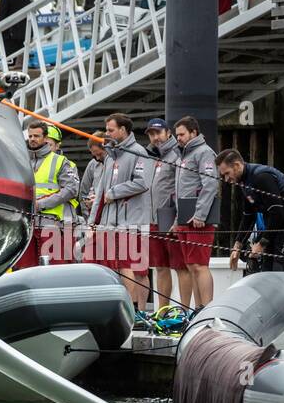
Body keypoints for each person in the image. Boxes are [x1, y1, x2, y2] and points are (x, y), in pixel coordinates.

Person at [86, 112, 152, 308]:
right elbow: (100, 194)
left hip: (133, 221)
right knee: (118, 266)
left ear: (123, 130)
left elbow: (142, 183)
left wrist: (114, 192)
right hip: (110, 223)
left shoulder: (139, 152)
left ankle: (137, 309)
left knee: (135, 268)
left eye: (110, 130)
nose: (107, 134)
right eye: (106, 130)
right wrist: (91, 223)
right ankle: (127, 309)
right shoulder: (109, 157)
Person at [215, 149, 284, 273]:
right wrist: (237, 246)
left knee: (282, 263)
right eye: (223, 176)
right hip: (278, 220)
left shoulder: (261, 178)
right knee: (266, 264)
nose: (226, 179)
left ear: (237, 165)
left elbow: (277, 213)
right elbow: (249, 216)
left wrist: (262, 243)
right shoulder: (244, 182)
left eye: (227, 173)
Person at [170, 117, 219, 307]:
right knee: (191, 266)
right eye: (177, 135)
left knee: (200, 265)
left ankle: (206, 308)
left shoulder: (204, 153)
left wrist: (200, 214)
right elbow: (180, 191)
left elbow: (210, 184)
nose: (179, 138)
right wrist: (176, 219)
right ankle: (197, 309)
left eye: (182, 134)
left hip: (199, 219)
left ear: (194, 132)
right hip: (184, 218)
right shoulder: (182, 156)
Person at [17, 120, 80, 268]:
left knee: (55, 268)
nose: (32, 139)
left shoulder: (60, 161)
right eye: (30, 136)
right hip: (25, 224)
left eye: (36, 136)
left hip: (50, 223)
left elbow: (71, 189)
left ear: (45, 138)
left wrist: (42, 204)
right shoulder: (22, 160)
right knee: (25, 269)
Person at [143, 118, 181, 314]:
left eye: (158, 133)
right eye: (151, 134)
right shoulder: (148, 156)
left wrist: (177, 218)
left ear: (168, 132)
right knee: (160, 267)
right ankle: (162, 311)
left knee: (180, 267)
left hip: (170, 216)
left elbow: (181, 187)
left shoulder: (177, 153)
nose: (155, 138)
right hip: (152, 218)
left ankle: (187, 310)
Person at [0, 0, 32, 68]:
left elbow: (1, 16)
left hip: (10, 34)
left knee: (10, 62)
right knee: (21, 61)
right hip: (24, 33)